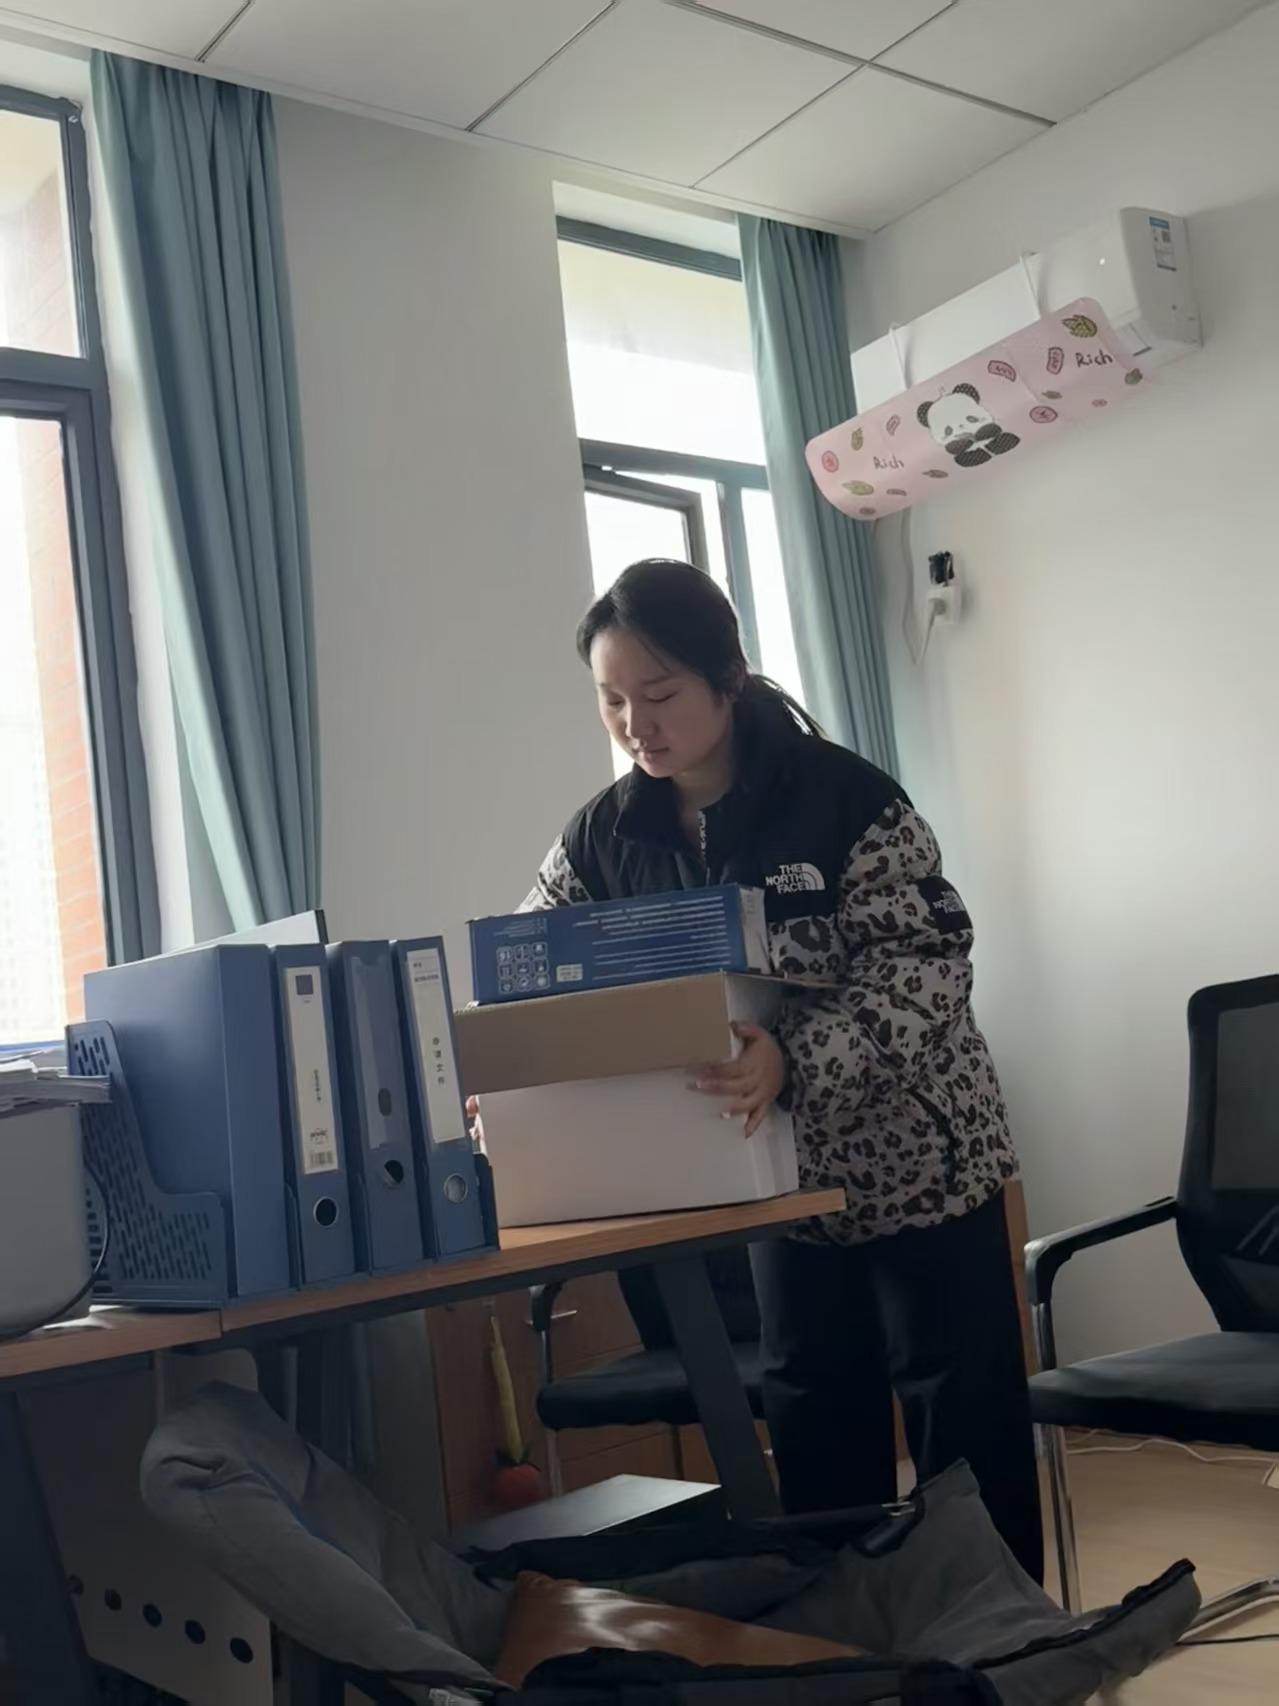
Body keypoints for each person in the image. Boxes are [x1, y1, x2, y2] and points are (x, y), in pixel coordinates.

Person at [521, 558, 1043, 1584]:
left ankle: (1001, 1636)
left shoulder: (843, 797)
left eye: (660, 694)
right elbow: (533, 968)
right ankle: (845, 1635)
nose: (636, 724)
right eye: (612, 700)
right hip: (777, 1182)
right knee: (814, 1414)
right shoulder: (604, 834)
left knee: (959, 1414)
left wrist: (794, 1059)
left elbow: (927, 963)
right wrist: (515, 1081)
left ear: (728, 677)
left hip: (920, 1160)